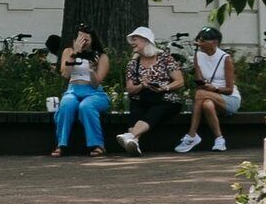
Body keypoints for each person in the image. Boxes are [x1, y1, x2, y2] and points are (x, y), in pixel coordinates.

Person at [116, 26, 186, 154]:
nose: (132, 43)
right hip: (143, 97)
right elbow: (130, 89)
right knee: (136, 109)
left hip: (166, 98)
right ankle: (134, 142)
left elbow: (180, 81)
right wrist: (142, 85)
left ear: (145, 40)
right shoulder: (133, 64)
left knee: (156, 110)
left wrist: (164, 87)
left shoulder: (165, 58)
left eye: (135, 39)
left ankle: (131, 136)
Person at [51, 28, 110, 156]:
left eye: (86, 39)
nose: (83, 42)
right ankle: (61, 144)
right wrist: (75, 53)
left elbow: (96, 83)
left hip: (93, 92)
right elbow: (65, 74)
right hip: (73, 90)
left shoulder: (100, 56)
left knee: (86, 106)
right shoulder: (68, 52)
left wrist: (91, 69)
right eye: (80, 39)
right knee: (66, 105)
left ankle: (98, 144)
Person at [185, 28, 242, 152]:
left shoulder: (225, 58)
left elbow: (229, 90)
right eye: (198, 40)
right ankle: (219, 139)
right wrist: (204, 86)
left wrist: (214, 88)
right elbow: (200, 81)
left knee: (200, 94)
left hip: (229, 99)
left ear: (214, 42)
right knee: (207, 104)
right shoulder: (198, 55)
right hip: (207, 96)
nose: (199, 43)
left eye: (203, 40)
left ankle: (192, 134)